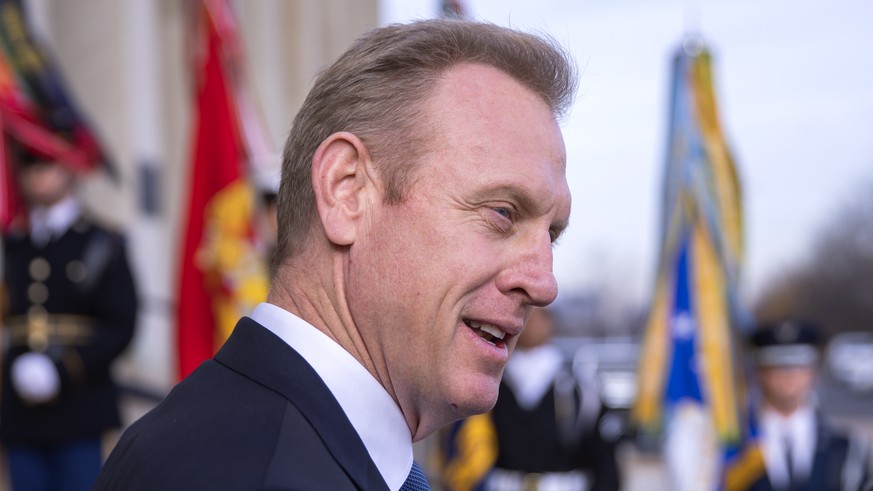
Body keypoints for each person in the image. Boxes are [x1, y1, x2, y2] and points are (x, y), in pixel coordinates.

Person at [95, 18, 576, 491]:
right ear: (347, 191)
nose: (544, 283)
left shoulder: (272, 444)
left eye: (550, 234)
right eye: (502, 213)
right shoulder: (261, 474)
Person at [1, 150, 138, 491]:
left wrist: (62, 370)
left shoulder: (101, 241)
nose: (38, 173)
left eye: (47, 162)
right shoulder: (13, 243)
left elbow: (121, 324)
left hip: (79, 406)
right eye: (30, 163)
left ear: (70, 166)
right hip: (20, 413)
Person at [441, 307, 621, 491]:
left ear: (551, 321)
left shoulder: (581, 388)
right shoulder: (483, 383)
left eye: (538, 314)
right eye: (523, 312)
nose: (530, 322)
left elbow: (605, 464)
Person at [742, 319, 870, 491]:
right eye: (776, 366)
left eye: (797, 366)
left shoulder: (847, 448)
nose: (787, 375)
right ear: (758, 373)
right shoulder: (735, 449)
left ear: (813, 371)